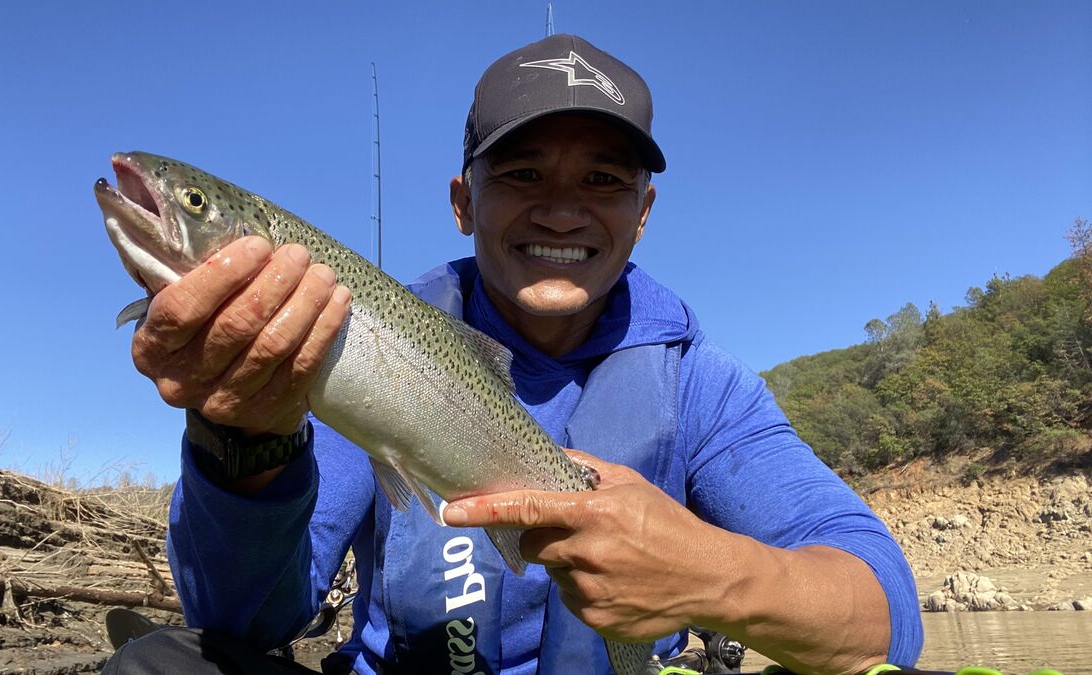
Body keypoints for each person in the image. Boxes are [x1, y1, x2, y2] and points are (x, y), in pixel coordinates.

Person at [104, 34, 922, 675]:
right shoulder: (343, 328)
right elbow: (239, 622)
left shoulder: (700, 388)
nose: (562, 211)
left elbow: (886, 610)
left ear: (643, 215)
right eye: (524, 172)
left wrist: (715, 577)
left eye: (603, 180)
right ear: (464, 201)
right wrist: (246, 441)